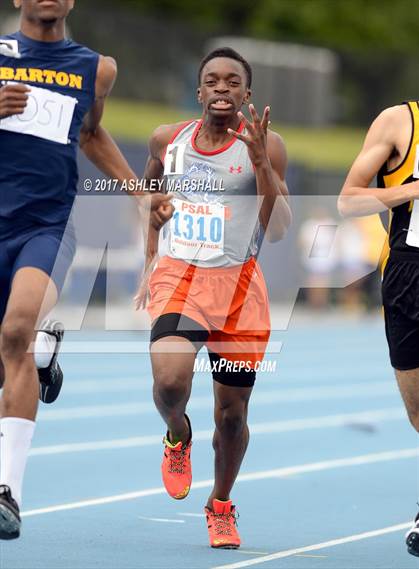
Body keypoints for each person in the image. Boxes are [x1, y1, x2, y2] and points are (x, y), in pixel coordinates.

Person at [0, 0, 173, 540]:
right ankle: (46, 346)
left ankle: (7, 493)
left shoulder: (97, 68)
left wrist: (141, 192)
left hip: (44, 224)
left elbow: (91, 134)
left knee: (14, 333)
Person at [135, 47, 291, 549]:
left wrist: (264, 163)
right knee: (170, 385)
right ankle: (177, 434)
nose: (222, 88)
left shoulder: (266, 146)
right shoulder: (168, 139)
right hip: (179, 277)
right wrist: (150, 253)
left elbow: (282, 228)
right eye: (212, 81)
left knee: (231, 415)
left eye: (232, 82)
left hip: (239, 287)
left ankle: (221, 503)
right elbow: (151, 189)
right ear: (199, 91)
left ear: (247, 94)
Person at [338, 100, 419, 557]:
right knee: (418, 414)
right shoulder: (400, 122)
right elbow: (348, 200)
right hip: (408, 274)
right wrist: (409, 192)